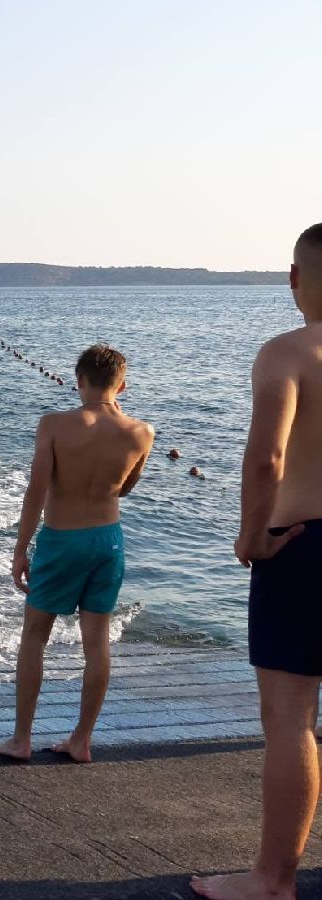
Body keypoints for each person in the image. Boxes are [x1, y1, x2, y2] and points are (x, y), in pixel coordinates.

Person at [191, 223, 322, 900]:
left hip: (304, 546)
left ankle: (273, 879)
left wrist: (250, 537)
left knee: (292, 718)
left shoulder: (287, 353)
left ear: (295, 278)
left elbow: (267, 457)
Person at [0, 344, 154, 764]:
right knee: (97, 643)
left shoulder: (54, 425)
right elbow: (126, 488)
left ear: (79, 380)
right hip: (108, 541)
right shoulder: (142, 432)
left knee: (34, 637)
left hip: (62, 539)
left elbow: (36, 490)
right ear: (123, 385)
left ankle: (21, 739)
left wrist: (20, 547)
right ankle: (81, 739)